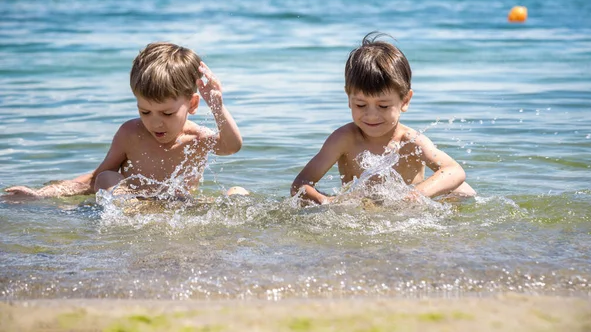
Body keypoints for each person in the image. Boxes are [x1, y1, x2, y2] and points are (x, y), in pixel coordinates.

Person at [5, 42, 246, 199]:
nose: (155, 123)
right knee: (106, 178)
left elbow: (231, 146)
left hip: (178, 209)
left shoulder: (197, 139)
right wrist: (40, 194)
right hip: (133, 208)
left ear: (192, 104)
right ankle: (134, 212)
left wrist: (217, 106)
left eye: (167, 113)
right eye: (145, 111)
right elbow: (93, 179)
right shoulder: (131, 134)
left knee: (237, 193)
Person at [291, 32, 475, 205]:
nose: (371, 115)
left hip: (405, 209)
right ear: (349, 99)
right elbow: (300, 184)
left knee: (464, 191)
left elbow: (454, 170)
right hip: (361, 208)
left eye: (383, 106)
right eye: (361, 105)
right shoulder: (344, 139)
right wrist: (327, 203)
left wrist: (414, 197)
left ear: (405, 100)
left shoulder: (410, 141)